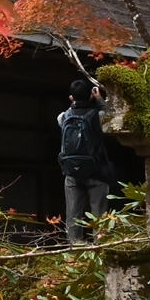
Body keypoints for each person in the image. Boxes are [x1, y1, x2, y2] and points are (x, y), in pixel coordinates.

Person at [58, 78, 113, 244]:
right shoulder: (98, 116)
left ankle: (74, 252)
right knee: (99, 215)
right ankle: (100, 251)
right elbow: (111, 116)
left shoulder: (62, 117)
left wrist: (74, 103)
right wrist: (100, 100)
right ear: (91, 95)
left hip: (71, 173)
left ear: (71, 98)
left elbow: (69, 113)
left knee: (73, 214)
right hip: (96, 172)